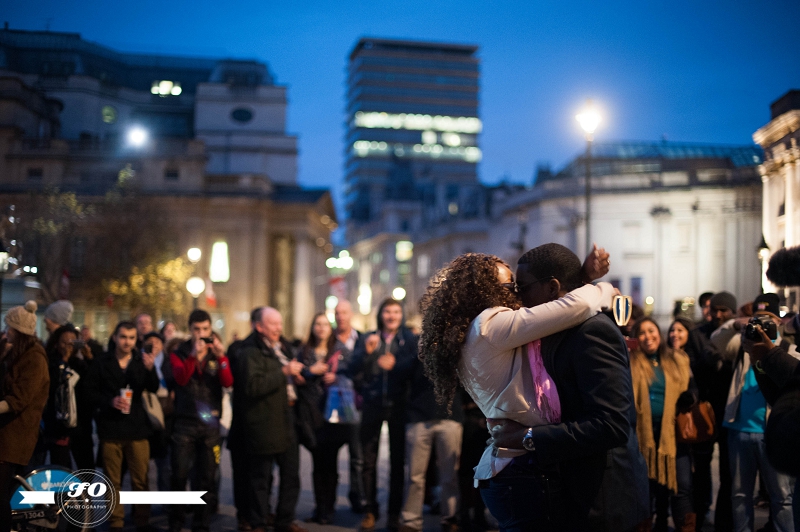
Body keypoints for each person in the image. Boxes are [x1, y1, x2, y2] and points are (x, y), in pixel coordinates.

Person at [418, 247, 623, 532]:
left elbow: (553, 305)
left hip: (512, 469)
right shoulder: (491, 325)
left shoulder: (480, 329)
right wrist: (601, 287)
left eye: (520, 286)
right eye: (511, 286)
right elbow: (574, 306)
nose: (516, 293)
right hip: (519, 472)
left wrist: (578, 277)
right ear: (486, 292)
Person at [486, 244, 650, 532]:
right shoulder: (553, 329)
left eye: (522, 288)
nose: (516, 298)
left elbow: (612, 424)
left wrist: (528, 437)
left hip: (602, 499)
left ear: (552, 288)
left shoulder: (592, 331)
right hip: (570, 493)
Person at [718, 293, 795, 532]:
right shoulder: (744, 346)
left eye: (767, 320)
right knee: (740, 495)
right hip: (740, 429)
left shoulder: (789, 350)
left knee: (782, 497)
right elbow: (716, 340)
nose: (761, 325)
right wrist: (736, 323)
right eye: (757, 320)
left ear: (779, 322)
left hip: (773, 432)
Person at [229, 307, 306, 532]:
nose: (278, 328)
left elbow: (287, 373)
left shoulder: (281, 347)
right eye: (273, 324)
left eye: (280, 323)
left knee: (291, 476)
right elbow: (252, 386)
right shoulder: (249, 351)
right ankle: (258, 523)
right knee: (260, 479)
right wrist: (283, 373)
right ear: (259, 326)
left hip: (286, 419)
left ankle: (284, 520)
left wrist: (298, 376)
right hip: (263, 423)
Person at [350, 298, 417, 532]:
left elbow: (414, 369)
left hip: (399, 406)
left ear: (402, 315)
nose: (391, 316)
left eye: (396, 312)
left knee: (397, 463)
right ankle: (370, 510)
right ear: (380, 314)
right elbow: (352, 368)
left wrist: (395, 365)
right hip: (372, 404)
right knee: (368, 461)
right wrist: (366, 354)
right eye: (387, 311)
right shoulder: (368, 338)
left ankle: (393, 515)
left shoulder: (409, 339)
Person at [87, 321, 159, 532]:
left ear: (136, 340)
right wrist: (110, 401)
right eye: (123, 337)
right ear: (115, 338)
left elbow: (153, 388)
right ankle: (115, 522)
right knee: (112, 481)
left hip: (137, 429)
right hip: (111, 428)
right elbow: (88, 392)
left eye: (131, 338)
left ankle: (142, 520)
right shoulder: (102, 362)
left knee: (140, 480)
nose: (127, 342)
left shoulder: (140, 361)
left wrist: (150, 368)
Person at [168, 310, 233, 532]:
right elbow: (181, 378)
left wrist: (222, 356)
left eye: (205, 329)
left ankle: (201, 523)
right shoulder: (180, 352)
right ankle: (176, 522)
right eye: (197, 330)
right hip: (185, 422)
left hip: (210, 425)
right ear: (190, 329)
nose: (201, 334)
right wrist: (192, 356)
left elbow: (227, 381)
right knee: (179, 476)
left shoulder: (216, 353)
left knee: (206, 478)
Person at [631, 318, 696, 532]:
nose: (648, 336)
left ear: (660, 333)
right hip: (643, 438)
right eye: (642, 333)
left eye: (652, 331)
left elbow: (693, 389)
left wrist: (690, 397)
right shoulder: (630, 361)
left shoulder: (678, 359)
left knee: (682, 489)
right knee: (645, 491)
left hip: (673, 436)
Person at [297, 313, 357, 525]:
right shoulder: (304, 352)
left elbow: (354, 372)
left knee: (329, 464)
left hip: (334, 414)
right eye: (317, 324)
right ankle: (319, 506)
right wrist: (309, 371)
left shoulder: (340, 350)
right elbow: (296, 376)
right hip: (311, 413)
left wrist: (337, 376)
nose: (321, 328)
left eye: (324, 324)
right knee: (317, 463)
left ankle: (328, 509)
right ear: (312, 327)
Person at [398, 345, 463, 532]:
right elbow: (400, 373)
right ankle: (410, 521)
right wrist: (418, 353)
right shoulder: (414, 346)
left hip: (450, 416)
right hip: (418, 416)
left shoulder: (455, 345)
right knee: (414, 475)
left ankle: (450, 518)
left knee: (449, 475)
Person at [0, 301, 49, 532]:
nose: (6, 331)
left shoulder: (35, 358)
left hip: (16, 433)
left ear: (19, 331)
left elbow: (18, 399)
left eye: (9, 328)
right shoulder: (16, 353)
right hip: (6, 430)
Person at [667, 317, 721, 528]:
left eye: (680, 330)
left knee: (696, 474)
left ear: (689, 333)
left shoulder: (697, 356)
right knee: (680, 480)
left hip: (694, 422)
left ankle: (701, 512)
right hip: (672, 425)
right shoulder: (666, 356)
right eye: (672, 330)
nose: (675, 334)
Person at [42, 324, 95, 470]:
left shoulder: (80, 364)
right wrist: (64, 360)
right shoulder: (50, 363)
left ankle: (84, 493)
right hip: (59, 426)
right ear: (56, 343)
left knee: (87, 469)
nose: (68, 345)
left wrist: (89, 358)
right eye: (64, 342)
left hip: (81, 425)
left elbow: (93, 383)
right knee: (61, 469)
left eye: (72, 341)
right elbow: (54, 386)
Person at [333, 301, 366, 513]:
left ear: (351, 314)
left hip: (357, 404)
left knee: (357, 456)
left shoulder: (363, 339)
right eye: (337, 313)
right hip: (333, 404)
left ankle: (356, 496)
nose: (340, 316)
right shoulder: (329, 341)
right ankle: (328, 502)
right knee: (330, 455)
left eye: (344, 312)